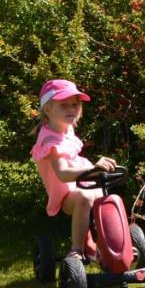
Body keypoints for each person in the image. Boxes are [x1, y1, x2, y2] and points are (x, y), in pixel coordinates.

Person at [30, 79, 116, 261]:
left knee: (108, 197)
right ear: (47, 109)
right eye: (64, 105)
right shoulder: (50, 142)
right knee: (84, 199)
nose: (71, 109)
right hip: (65, 192)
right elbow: (62, 174)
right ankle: (77, 249)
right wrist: (93, 169)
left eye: (75, 105)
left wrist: (94, 172)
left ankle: (112, 244)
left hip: (81, 182)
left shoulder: (63, 126)